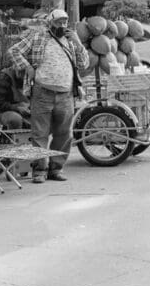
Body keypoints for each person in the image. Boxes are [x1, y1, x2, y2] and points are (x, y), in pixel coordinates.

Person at [8, 9, 89, 184]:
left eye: (65, 22)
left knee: (64, 133)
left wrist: (78, 42)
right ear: (50, 23)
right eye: (58, 22)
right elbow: (14, 51)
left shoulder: (71, 40)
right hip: (42, 93)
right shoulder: (38, 36)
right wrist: (27, 67)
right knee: (40, 133)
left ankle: (56, 169)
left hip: (66, 94)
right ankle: (40, 170)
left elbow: (84, 64)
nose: (62, 25)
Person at [0, 65, 31, 133]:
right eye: (20, 71)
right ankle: (12, 138)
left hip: (26, 112)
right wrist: (17, 108)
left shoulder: (32, 76)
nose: (22, 74)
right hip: (4, 112)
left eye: (25, 72)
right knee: (15, 119)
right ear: (14, 66)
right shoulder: (4, 78)